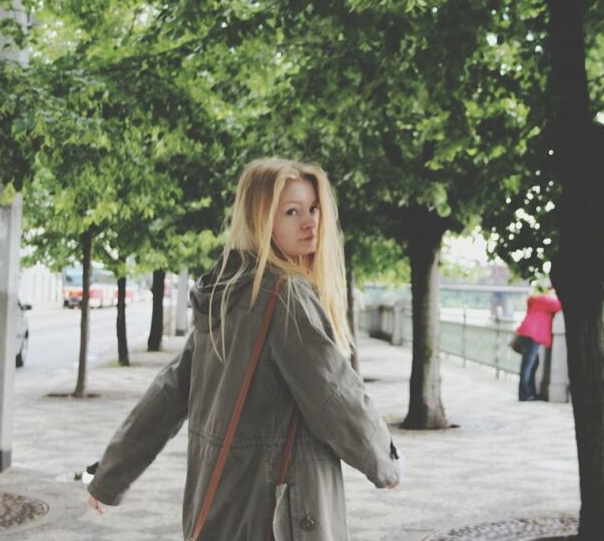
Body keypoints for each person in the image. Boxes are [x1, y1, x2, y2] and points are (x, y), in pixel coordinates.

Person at [86, 159, 402, 540]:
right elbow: (335, 396)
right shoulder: (286, 296)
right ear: (259, 220)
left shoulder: (225, 295)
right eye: (291, 211)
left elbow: (168, 394)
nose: (310, 222)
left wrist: (110, 475)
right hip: (280, 511)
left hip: (222, 504)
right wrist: (384, 463)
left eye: (314, 208)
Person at [512, 287, 562, 401]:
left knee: (531, 364)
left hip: (525, 333)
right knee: (528, 366)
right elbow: (559, 306)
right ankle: (525, 394)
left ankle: (528, 392)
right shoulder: (544, 300)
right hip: (533, 335)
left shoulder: (534, 300)